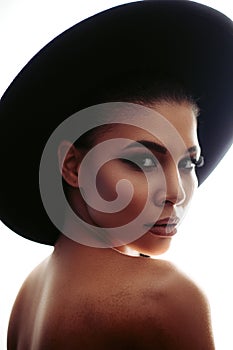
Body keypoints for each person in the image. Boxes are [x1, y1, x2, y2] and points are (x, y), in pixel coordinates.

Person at [1, 1, 232, 349]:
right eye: (142, 162)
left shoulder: (29, 294)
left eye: (188, 163)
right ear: (73, 166)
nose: (176, 193)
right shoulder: (163, 296)